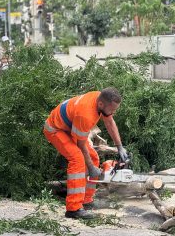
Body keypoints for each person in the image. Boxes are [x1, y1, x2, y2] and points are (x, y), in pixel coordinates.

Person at [43, 87, 128, 220]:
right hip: (56, 129)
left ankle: (86, 200)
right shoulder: (86, 115)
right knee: (77, 159)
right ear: (101, 104)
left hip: (71, 127)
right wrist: (91, 168)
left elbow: (110, 122)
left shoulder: (100, 99)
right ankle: (73, 208)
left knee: (93, 157)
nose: (113, 112)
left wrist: (119, 146)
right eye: (112, 110)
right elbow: (80, 144)